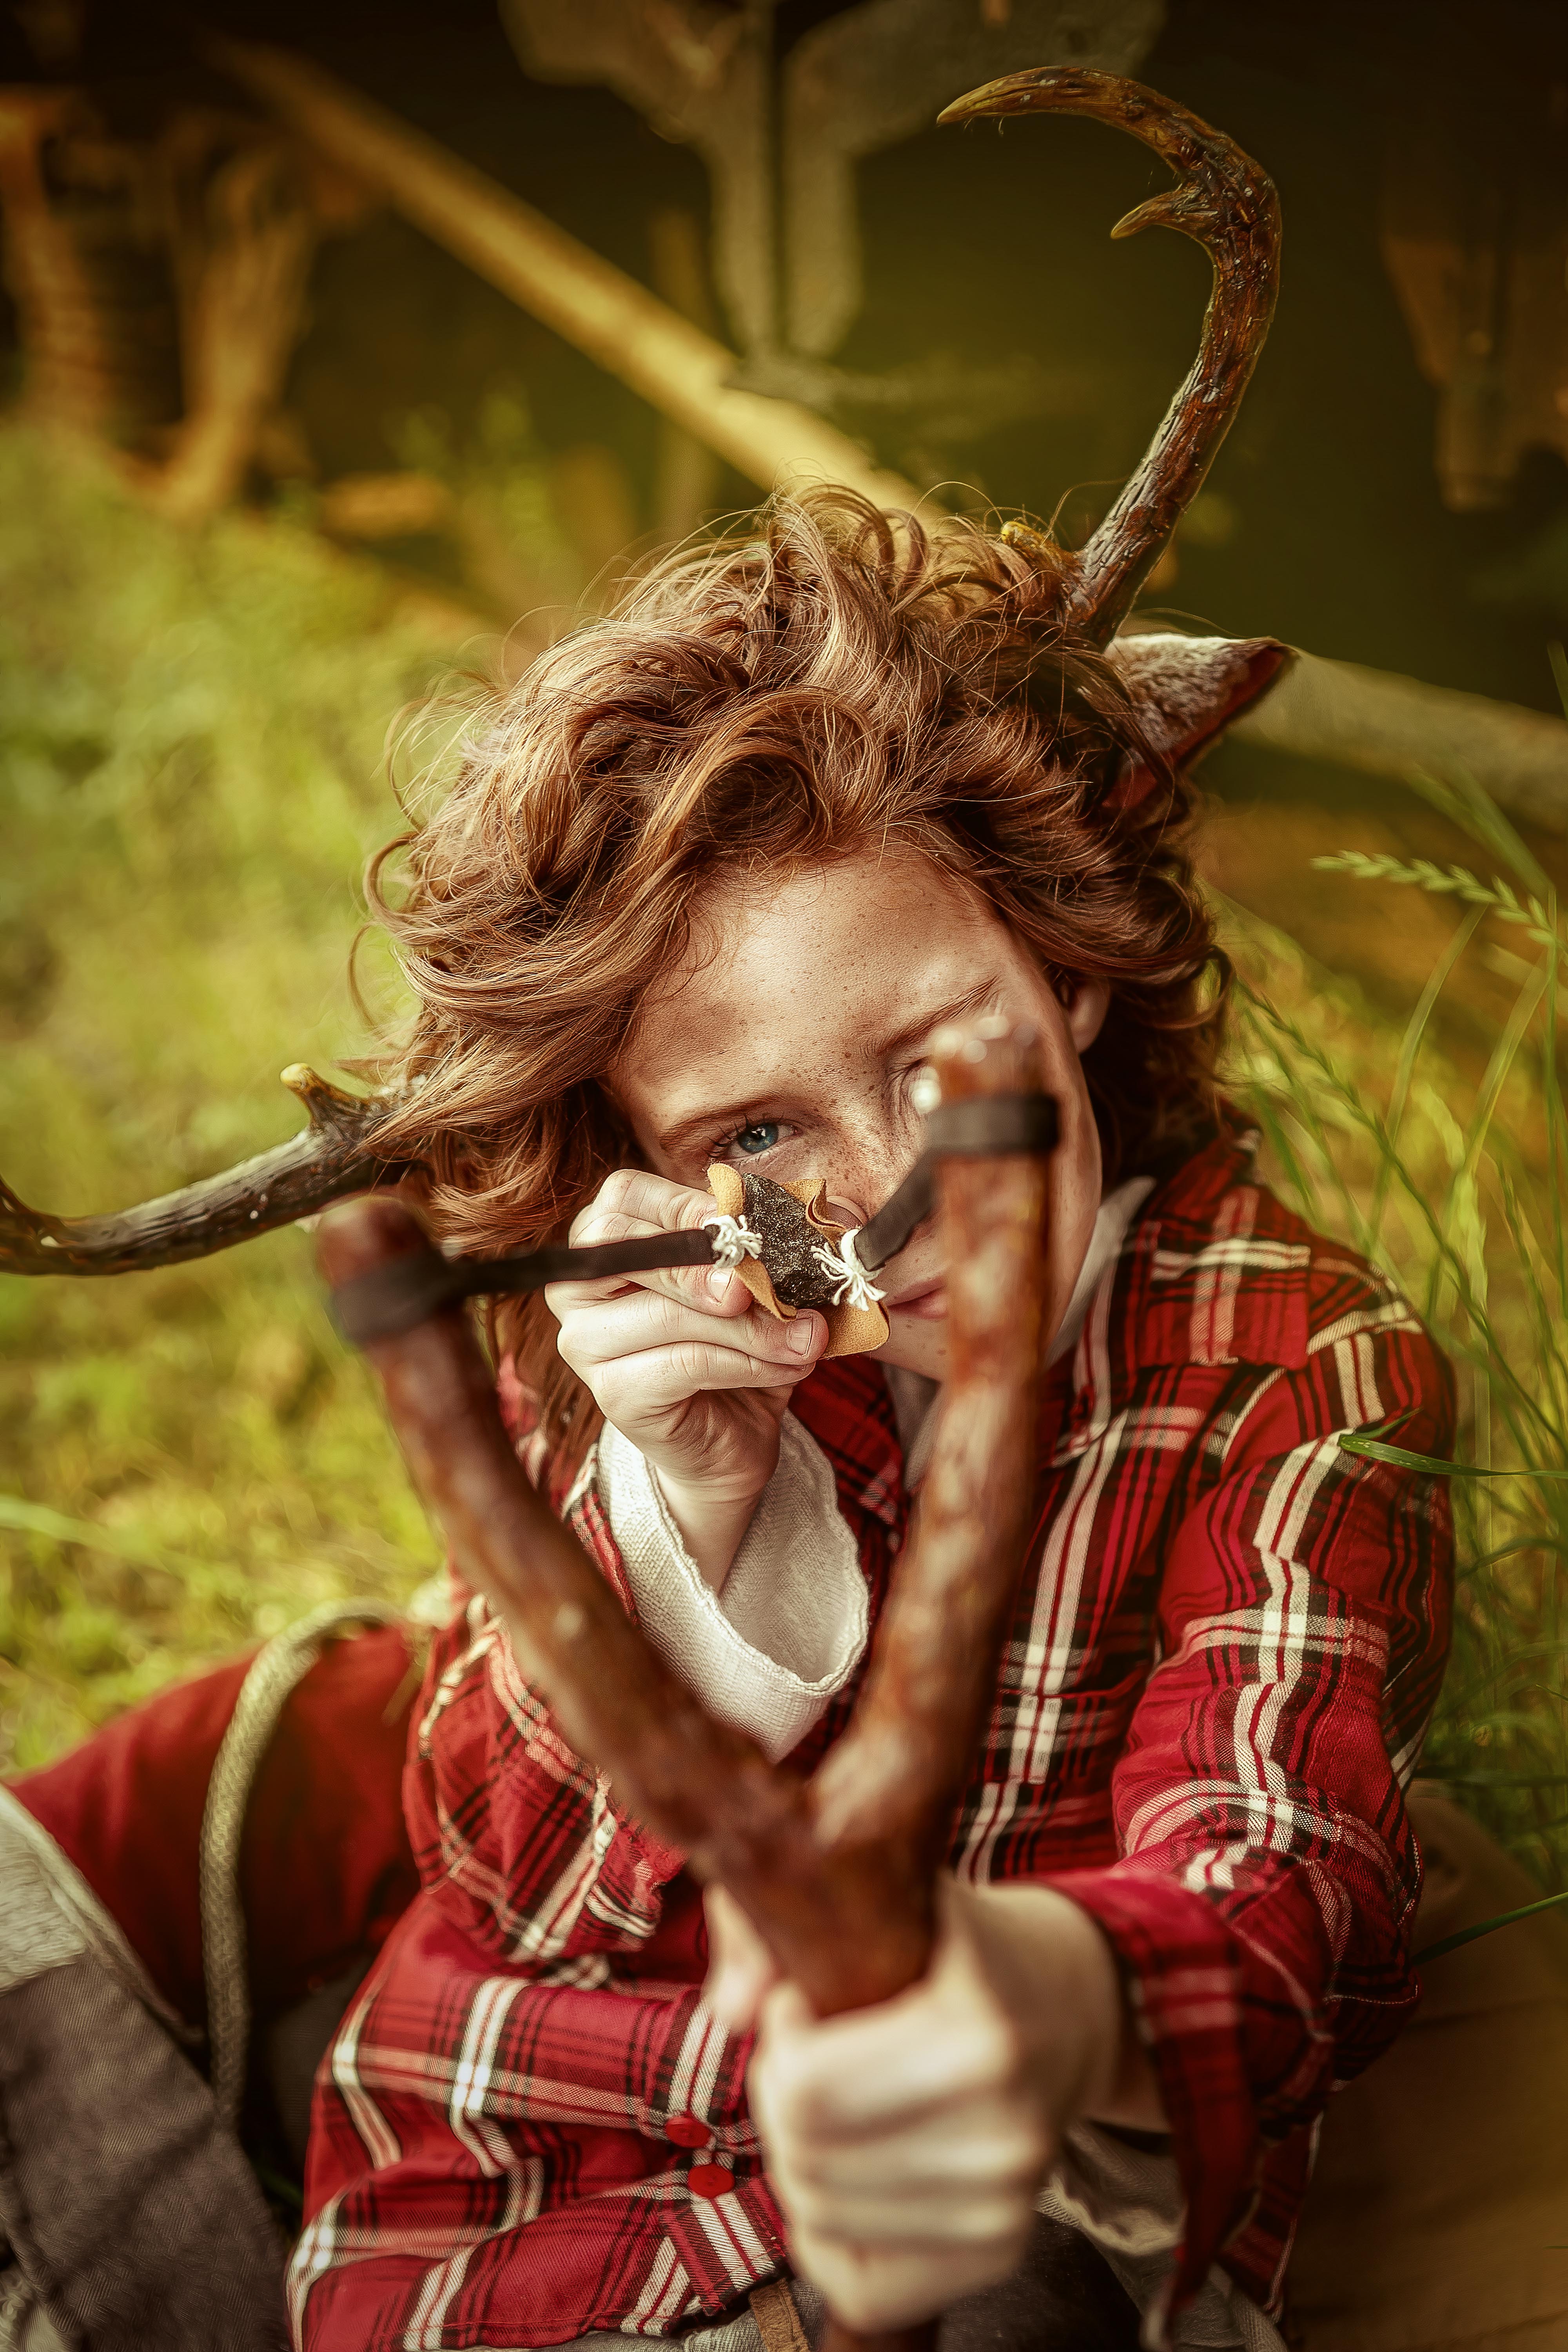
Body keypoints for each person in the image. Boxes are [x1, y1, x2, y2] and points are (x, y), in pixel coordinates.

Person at [272, 491, 1455, 2351]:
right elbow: (508, 1880)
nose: (901, 1197)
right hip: (510, 2215)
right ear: (642, 1164)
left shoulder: (1290, 1361)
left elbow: (1283, 1875)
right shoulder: (636, 1340)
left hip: (976, 2223)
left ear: (1071, 965)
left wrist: (1021, 1997)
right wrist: (686, 1506)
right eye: (759, 1133)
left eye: (941, 1058)